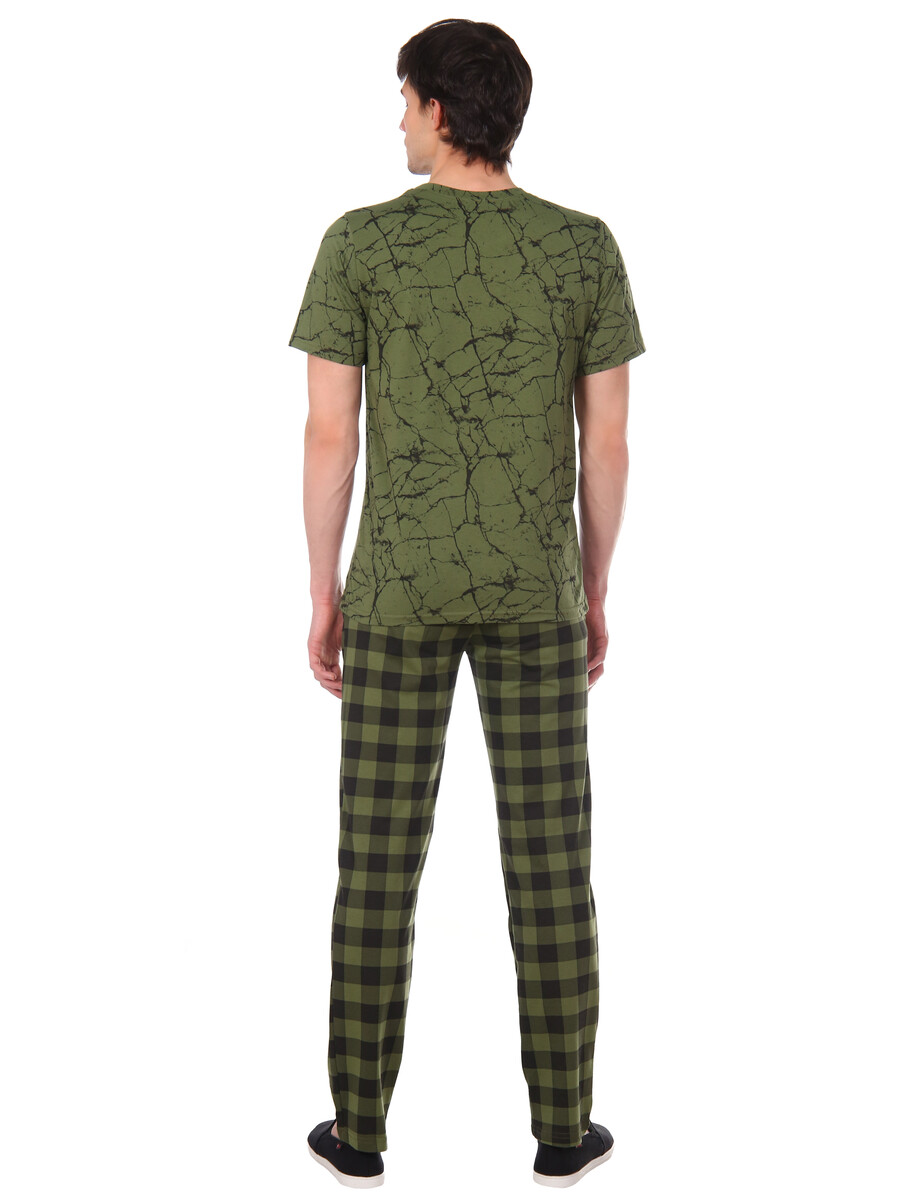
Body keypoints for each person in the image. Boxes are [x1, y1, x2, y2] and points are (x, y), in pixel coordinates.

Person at [289, 18, 645, 1189]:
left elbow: (330, 436)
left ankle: (358, 1131)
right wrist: (593, 585)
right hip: (537, 595)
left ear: (440, 108)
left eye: (404, 100)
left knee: (377, 866)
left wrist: (323, 590)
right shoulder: (582, 246)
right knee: (551, 867)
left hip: (396, 592)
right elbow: (609, 445)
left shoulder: (360, 244)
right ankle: (563, 1129)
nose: (398, 120)